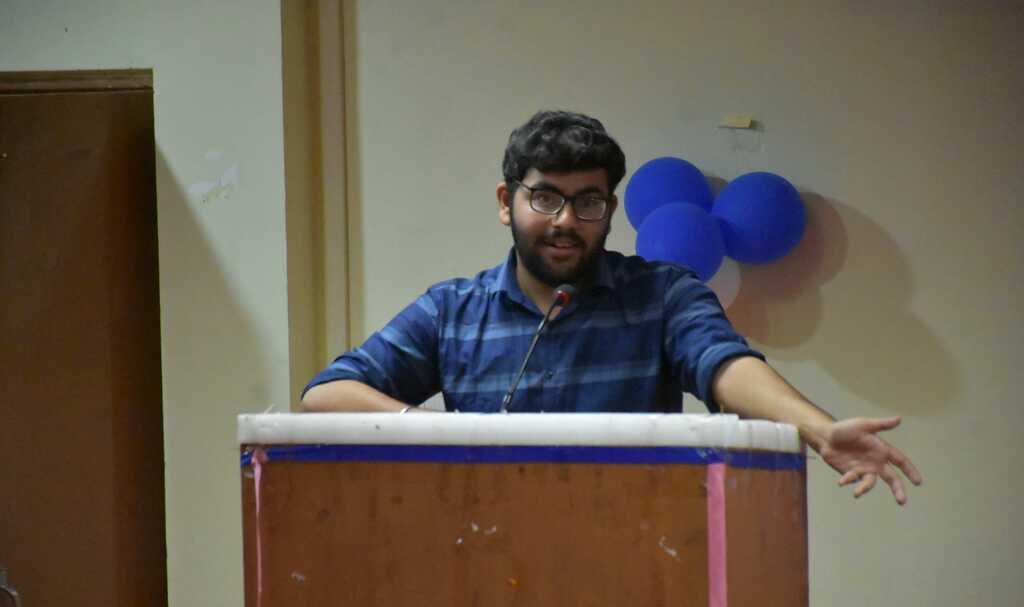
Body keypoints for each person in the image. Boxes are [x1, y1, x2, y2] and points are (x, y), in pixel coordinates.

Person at [301, 110, 922, 505]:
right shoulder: (452, 310)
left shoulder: (663, 294)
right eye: (545, 198)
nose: (565, 221)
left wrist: (817, 428)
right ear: (506, 202)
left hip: (636, 566)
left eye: (588, 202)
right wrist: (434, 429)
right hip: (485, 571)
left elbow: (725, 365)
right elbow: (327, 394)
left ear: (610, 210)